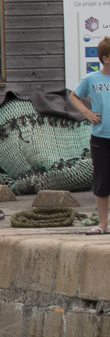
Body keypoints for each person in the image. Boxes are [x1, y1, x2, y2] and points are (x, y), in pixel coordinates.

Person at [70, 36, 110, 234]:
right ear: (105, 58)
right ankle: (102, 224)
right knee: (102, 180)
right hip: (101, 137)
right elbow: (74, 96)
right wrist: (87, 113)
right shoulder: (91, 79)